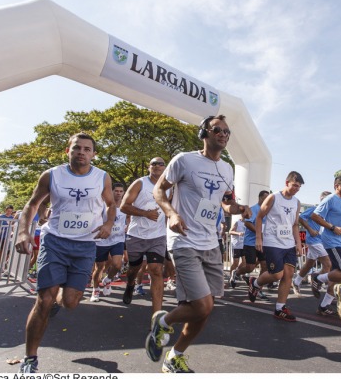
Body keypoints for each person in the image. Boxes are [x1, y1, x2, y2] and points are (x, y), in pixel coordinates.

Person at [145, 115, 251, 373]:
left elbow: (225, 202)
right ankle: (164, 321)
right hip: (184, 240)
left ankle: (174, 357)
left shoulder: (227, 169)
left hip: (210, 242)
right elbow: (159, 190)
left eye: (227, 131)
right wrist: (171, 213)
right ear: (204, 133)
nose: (223, 134)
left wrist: (238, 208)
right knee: (203, 305)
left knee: (202, 310)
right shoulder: (184, 160)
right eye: (218, 130)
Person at [14, 133, 116, 373]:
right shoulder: (51, 175)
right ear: (67, 151)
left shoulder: (102, 177)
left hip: (85, 244)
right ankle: (30, 358)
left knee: (70, 302)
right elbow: (32, 203)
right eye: (77, 148)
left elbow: (111, 204)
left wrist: (108, 224)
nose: (82, 152)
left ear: (93, 154)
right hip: (55, 241)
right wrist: (23, 232)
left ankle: (59, 299)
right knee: (44, 299)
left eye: (87, 149)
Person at [248, 171, 304, 322]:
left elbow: (295, 224)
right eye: (294, 186)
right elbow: (259, 217)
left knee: (289, 274)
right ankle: (255, 283)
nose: (296, 189)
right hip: (272, 241)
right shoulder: (273, 198)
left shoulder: (297, 202)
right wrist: (259, 238)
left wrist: (298, 243)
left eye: (299, 187)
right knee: (277, 274)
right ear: (287, 183)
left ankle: (280, 308)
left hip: (288, 243)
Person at [120, 157, 168, 312]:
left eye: (161, 164)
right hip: (136, 235)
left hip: (158, 236)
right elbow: (124, 206)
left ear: (165, 168)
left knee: (155, 269)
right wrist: (145, 214)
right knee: (134, 269)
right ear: (149, 167)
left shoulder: (169, 186)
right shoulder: (140, 183)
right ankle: (130, 283)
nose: (157, 166)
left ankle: (157, 316)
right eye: (154, 163)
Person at [310, 176, 341, 319]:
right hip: (333, 242)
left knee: (339, 277)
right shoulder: (330, 199)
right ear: (336, 186)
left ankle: (323, 306)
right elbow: (315, 216)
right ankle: (318, 278)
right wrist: (332, 227)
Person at [90, 182, 127, 302]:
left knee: (117, 264)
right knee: (99, 267)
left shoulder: (125, 206)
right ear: (111, 192)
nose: (119, 193)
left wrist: (126, 226)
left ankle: (107, 279)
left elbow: (129, 219)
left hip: (118, 239)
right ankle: (95, 290)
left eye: (121, 191)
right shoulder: (103, 205)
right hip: (102, 240)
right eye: (116, 191)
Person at [292, 191, 332, 299]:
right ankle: (320, 282)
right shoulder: (315, 209)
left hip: (322, 240)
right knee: (328, 264)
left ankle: (296, 281)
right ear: (323, 200)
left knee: (309, 263)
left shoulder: (328, 212)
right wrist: (310, 229)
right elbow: (300, 218)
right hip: (314, 240)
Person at [231, 190, 269, 290]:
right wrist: (258, 233)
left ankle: (257, 286)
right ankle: (237, 272)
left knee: (265, 265)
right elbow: (247, 223)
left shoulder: (267, 210)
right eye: (265, 198)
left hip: (263, 242)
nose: (267, 200)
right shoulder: (253, 209)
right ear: (260, 198)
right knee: (250, 268)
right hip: (250, 243)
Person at [228, 218, 245, 288]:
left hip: (244, 244)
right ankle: (231, 276)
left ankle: (236, 273)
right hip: (236, 245)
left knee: (245, 262)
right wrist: (238, 233)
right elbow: (230, 231)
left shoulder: (247, 223)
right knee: (236, 262)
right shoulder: (237, 222)